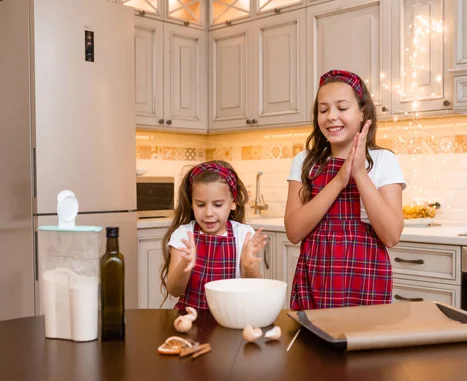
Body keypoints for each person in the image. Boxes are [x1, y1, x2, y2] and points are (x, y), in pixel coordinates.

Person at [285, 69, 406, 311]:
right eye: (323, 109)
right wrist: (340, 180)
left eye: (342, 108)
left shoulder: (383, 161)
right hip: (314, 281)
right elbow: (294, 231)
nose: (331, 116)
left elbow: (391, 236)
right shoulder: (304, 161)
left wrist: (359, 173)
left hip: (366, 278)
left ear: (363, 113)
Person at [160, 160, 267, 309]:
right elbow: (174, 290)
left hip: (231, 317)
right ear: (191, 203)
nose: (209, 213)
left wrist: (249, 266)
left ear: (233, 203)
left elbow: (255, 290)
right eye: (201, 204)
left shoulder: (244, 235)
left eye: (218, 205)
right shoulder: (183, 235)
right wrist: (185, 264)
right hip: (190, 317)